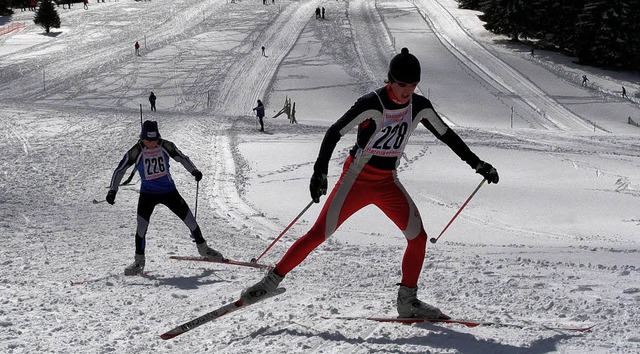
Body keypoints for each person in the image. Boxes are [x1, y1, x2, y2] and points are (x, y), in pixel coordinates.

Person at [240, 48, 500, 319]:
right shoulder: (372, 103)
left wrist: (478, 164)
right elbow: (334, 132)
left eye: (412, 85)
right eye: (402, 85)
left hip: (388, 183)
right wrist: (320, 172)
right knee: (318, 233)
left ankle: (407, 302)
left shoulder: (419, 106)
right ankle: (268, 284)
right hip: (356, 181)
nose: (407, 91)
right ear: (390, 80)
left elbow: (447, 135)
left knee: (418, 238)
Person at [106, 120, 224, 275]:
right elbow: (120, 170)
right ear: (142, 138)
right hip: (148, 195)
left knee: (190, 220)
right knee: (141, 229)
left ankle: (204, 249)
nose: (153, 143)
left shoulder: (165, 145)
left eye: (155, 139)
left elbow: (182, 158)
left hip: (169, 192)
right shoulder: (137, 150)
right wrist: (112, 190)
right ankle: (138, 262)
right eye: (149, 140)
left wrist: (194, 171)